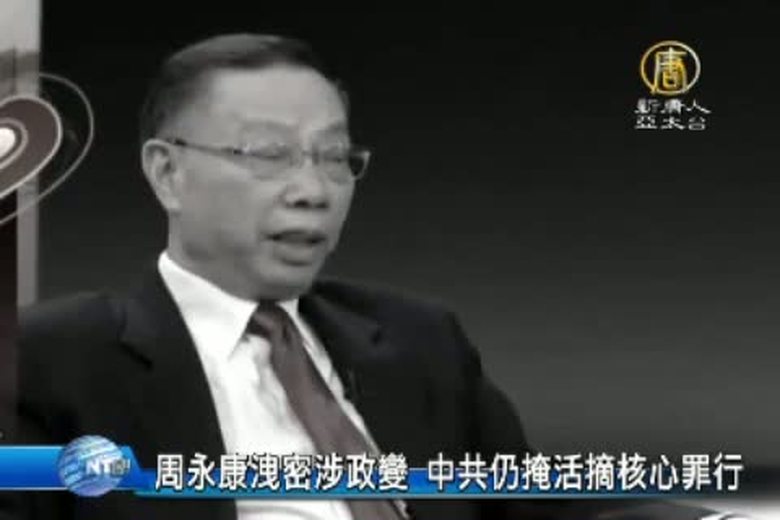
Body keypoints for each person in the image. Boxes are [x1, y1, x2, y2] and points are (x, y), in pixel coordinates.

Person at [4, 34, 719, 520]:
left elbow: (533, 502)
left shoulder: (417, 338)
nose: (313, 190)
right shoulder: (51, 359)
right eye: (269, 155)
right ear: (168, 173)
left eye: (334, 157)